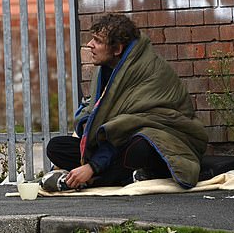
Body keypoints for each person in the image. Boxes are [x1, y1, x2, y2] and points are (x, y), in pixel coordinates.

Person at [42, 13, 208, 191]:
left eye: (97, 41)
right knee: (56, 147)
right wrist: (87, 123)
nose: (90, 45)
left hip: (163, 139)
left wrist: (92, 167)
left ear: (117, 49)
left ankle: (94, 180)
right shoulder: (104, 68)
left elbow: (130, 126)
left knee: (140, 147)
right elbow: (97, 114)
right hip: (115, 143)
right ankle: (126, 176)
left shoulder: (149, 69)